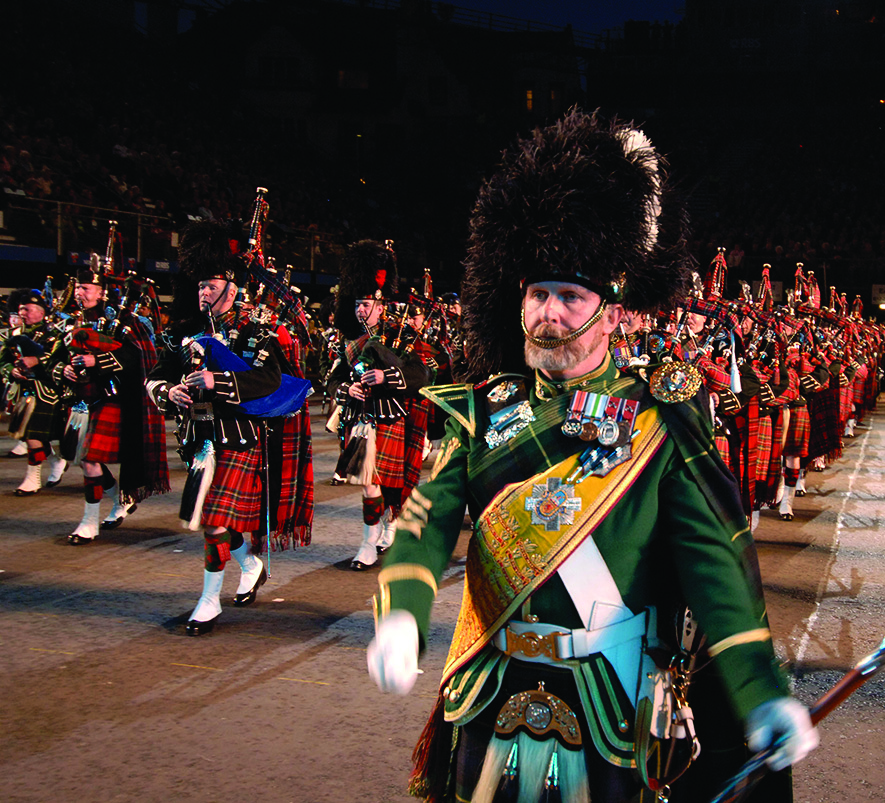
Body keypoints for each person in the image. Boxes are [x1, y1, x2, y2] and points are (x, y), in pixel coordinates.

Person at [366, 110, 815, 802]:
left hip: (609, 700)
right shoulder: (477, 411)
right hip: (489, 686)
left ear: (611, 311)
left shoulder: (658, 418)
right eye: (538, 294)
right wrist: (401, 610)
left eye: (569, 296)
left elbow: (713, 563)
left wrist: (758, 690)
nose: (548, 311)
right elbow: (424, 524)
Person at [146, 220, 313, 636]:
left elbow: (271, 380)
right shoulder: (186, 329)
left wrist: (216, 382)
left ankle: (207, 600)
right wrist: (170, 392)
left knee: (214, 521)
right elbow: (155, 374)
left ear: (232, 287)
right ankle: (250, 563)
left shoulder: (256, 329)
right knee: (216, 518)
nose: (203, 291)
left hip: (240, 436)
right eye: (200, 284)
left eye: (211, 284)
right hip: (198, 436)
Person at [327, 240, 432, 570]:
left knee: (390, 484)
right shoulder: (348, 342)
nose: (361, 310)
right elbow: (333, 380)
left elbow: (422, 373)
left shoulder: (400, 336)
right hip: (360, 419)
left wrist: (387, 376)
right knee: (368, 481)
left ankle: (390, 522)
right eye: (357, 303)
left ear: (382, 304)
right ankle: (368, 542)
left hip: (392, 417)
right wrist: (347, 389)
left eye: (367, 304)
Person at [57, 256, 170, 543]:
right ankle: (121, 499)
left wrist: (98, 360)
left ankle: (88, 522)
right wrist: (67, 369)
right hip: (82, 399)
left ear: (102, 291)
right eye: (79, 287)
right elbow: (59, 358)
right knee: (84, 460)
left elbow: (137, 357)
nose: (81, 293)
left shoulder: (124, 319)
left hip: (113, 397)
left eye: (86, 288)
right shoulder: (75, 320)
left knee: (91, 459)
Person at [3, 287, 67, 495]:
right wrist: (12, 371)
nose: (23, 313)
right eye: (21, 309)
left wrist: (37, 361)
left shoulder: (54, 333)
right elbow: (3, 361)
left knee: (32, 436)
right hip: (23, 392)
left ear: (41, 311)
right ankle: (56, 462)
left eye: (28, 309)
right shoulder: (15, 334)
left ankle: (33, 479)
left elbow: (60, 360)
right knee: (31, 435)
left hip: (45, 392)